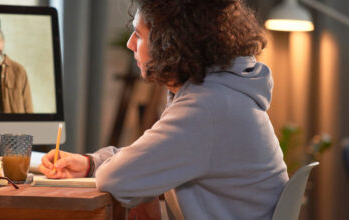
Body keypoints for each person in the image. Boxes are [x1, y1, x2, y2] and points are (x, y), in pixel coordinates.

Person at [39, 0, 288, 219]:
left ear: (170, 44)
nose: (129, 44)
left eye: (138, 34)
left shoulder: (205, 108)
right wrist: (90, 163)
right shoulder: (220, 96)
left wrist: (140, 187)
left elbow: (116, 178)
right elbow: (151, 157)